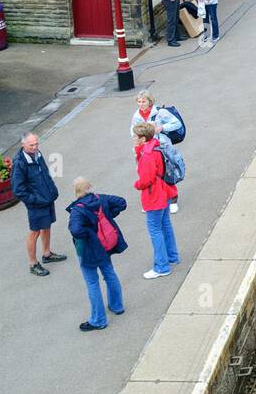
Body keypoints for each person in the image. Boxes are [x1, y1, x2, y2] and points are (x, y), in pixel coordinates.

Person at [66, 177, 126, 331]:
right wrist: (108, 216)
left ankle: (98, 320)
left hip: (88, 249)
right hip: (105, 245)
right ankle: (117, 305)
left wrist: (89, 232)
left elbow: (76, 230)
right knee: (109, 273)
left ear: (76, 191)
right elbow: (121, 202)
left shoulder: (77, 210)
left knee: (92, 283)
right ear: (90, 187)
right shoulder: (101, 199)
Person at [12, 131, 65, 276]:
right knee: (35, 231)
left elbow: (45, 173)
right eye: (31, 145)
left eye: (36, 143)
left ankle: (47, 254)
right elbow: (18, 190)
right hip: (37, 203)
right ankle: (33, 263)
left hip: (47, 198)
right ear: (23, 145)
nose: (35, 147)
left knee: (46, 226)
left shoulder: (37, 154)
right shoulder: (19, 163)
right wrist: (35, 200)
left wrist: (52, 190)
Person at [134, 122, 179, 279]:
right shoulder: (157, 146)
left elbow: (146, 179)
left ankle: (161, 266)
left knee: (155, 229)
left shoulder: (147, 155)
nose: (133, 138)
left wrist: (137, 184)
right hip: (165, 190)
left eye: (136, 136)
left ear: (142, 138)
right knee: (165, 224)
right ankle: (172, 256)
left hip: (154, 195)